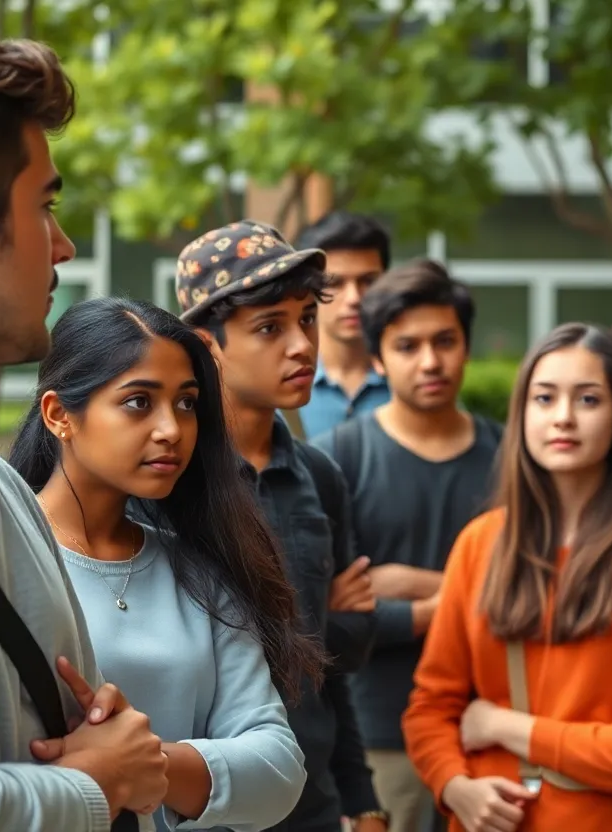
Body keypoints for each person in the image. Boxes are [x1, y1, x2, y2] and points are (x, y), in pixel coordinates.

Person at [0, 17, 169, 830]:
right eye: (44, 206)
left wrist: (97, 736)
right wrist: (104, 782)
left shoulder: (3, 487)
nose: (63, 244)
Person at [8, 297, 316, 831]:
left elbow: (279, 769)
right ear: (60, 415)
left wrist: (147, 766)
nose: (171, 429)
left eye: (187, 403)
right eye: (138, 402)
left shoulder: (200, 573)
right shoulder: (2, 559)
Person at [402, 323, 612, 832]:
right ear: (522, 414)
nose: (563, 418)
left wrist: (502, 725)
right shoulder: (482, 541)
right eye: (544, 398)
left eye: (588, 399)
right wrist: (454, 786)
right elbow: (431, 708)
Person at [175, 219, 388, 832]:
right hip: (206, 805)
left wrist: (362, 800)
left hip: (313, 803)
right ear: (205, 344)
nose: (301, 345)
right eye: (269, 327)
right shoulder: (171, 483)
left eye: (305, 319)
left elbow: (328, 675)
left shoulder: (319, 477)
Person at [312, 259, 502, 832]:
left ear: (466, 346)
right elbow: (328, 612)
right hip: (379, 736)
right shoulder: (335, 458)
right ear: (376, 359)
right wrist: (472, 594)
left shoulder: (512, 458)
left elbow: (534, 595)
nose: (430, 361)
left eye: (445, 341)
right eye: (407, 345)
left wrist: (410, 598)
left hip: (491, 726)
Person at [294, 211, 393, 438]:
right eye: (335, 283)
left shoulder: (412, 381)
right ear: (307, 290)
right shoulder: (282, 386)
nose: (354, 298)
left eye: (368, 281)